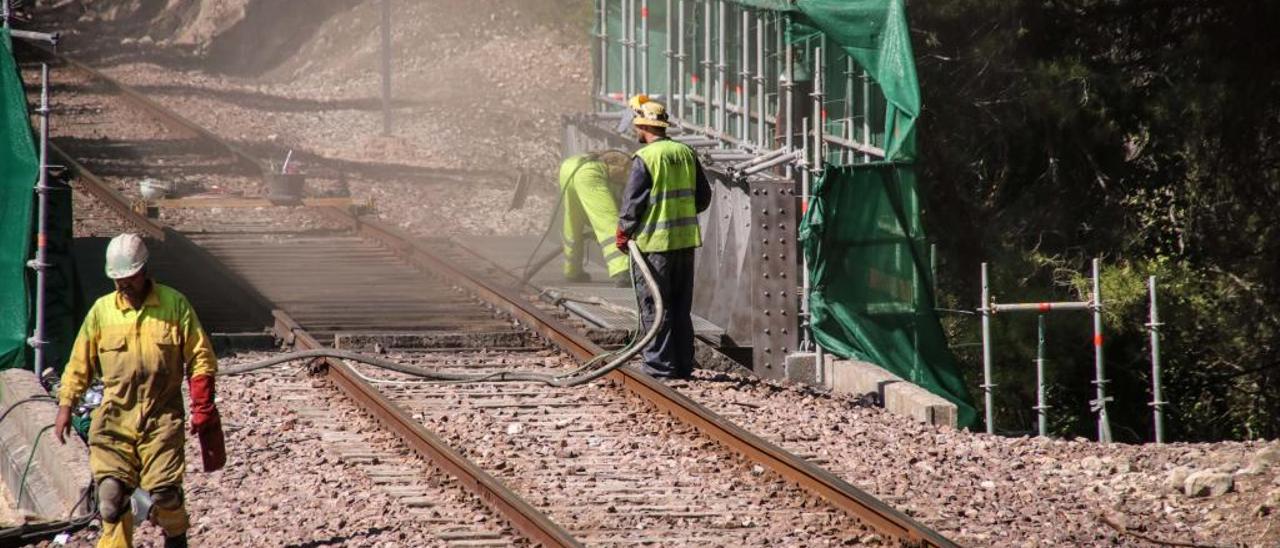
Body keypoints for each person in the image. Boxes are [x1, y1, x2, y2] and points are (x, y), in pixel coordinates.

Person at [54, 233, 224, 548]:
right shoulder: (102, 312)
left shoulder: (175, 306)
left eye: (129, 278)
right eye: (117, 280)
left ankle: (176, 535)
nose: (123, 285)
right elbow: (80, 362)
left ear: (144, 271)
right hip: (115, 418)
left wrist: (203, 407)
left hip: (161, 418)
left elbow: (200, 358)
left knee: (164, 492)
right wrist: (66, 404)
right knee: (109, 497)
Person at [615, 96, 713, 379]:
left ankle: (659, 367)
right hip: (684, 243)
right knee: (681, 307)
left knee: (656, 306)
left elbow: (633, 204)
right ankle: (683, 365)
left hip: (653, 245)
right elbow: (703, 197)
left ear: (641, 126)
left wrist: (623, 235)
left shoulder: (645, 158)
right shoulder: (685, 153)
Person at [558, 150, 631, 285]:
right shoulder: (622, 167)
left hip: (568, 167)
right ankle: (623, 269)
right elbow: (606, 216)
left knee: (573, 223)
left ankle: (572, 271)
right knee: (609, 221)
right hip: (587, 172)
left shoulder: (602, 159)